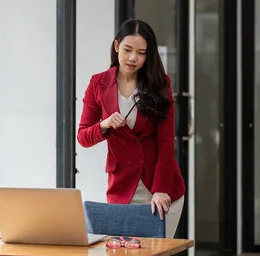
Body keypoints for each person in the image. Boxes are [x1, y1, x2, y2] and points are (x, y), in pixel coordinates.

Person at [77, 19, 186, 239]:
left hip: (159, 185)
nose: (133, 58)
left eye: (141, 53)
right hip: (122, 185)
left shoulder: (159, 84)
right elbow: (83, 137)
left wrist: (161, 189)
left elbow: (166, 142)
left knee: (155, 253)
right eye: (127, 50)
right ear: (117, 46)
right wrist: (104, 125)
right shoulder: (98, 84)